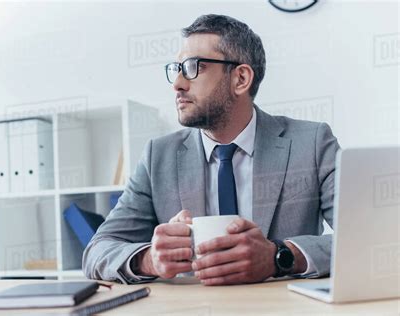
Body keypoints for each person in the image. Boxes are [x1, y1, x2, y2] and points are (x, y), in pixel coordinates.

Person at [82, 14, 340, 285]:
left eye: (194, 67)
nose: (178, 83)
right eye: (177, 68)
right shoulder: (158, 157)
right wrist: (149, 259)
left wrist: (280, 256)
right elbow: (97, 252)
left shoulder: (312, 143)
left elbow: (367, 238)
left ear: (240, 78)